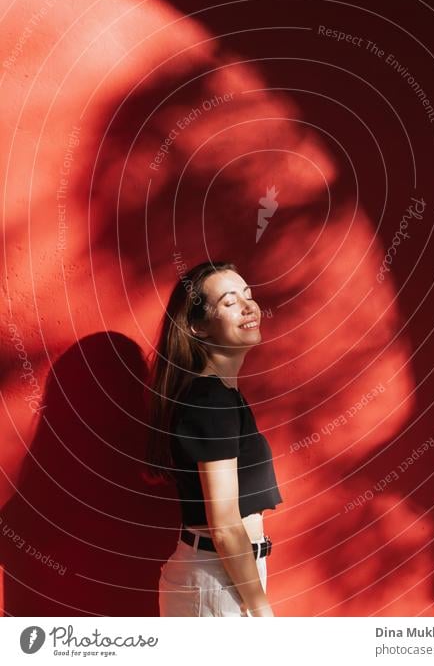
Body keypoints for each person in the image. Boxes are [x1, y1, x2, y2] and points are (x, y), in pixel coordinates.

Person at [145, 260, 283, 616]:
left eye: (248, 295)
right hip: (215, 581)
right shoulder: (210, 401)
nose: (248, 305)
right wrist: (260, 609)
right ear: (198, 326)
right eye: (229, 301)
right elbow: (223, 526)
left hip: (224, 576)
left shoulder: (221, 396)